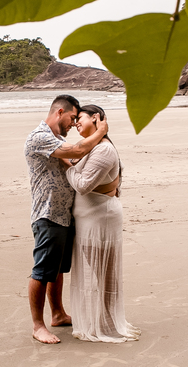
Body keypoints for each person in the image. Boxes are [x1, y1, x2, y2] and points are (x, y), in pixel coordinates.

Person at [24, 95, 108, 344]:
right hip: (47, 214)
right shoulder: (40, 137)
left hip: (63, 215)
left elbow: (75, 159)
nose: (73, 123)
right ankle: (38, 326)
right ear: (59, 112)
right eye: (72, 117)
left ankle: (58, 314)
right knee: (42, 271)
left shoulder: (57, 140)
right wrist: (100, 132)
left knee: (57, 269)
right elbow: (78, 150)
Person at [65, 104, 139, 343]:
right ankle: (106, 317)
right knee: (99, 271)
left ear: (96, 118)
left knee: (104, 273)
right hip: (91, 218)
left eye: (80, 117)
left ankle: (109, 321)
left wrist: (67, 166)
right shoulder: (93, 147)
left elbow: (83, 185)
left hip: (100, 219)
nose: (76, 122)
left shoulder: (104, 150)